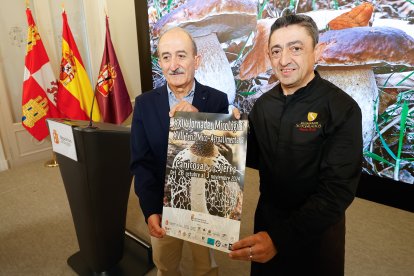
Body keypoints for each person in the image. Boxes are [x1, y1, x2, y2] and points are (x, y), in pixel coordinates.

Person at [229, 14, 363, 275]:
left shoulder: (342, 108)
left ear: (317, 52)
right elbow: (249, 156)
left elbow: (337, 192)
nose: (284, 60)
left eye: (296, 48)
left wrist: (280, 239)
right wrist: (221, 128)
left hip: (318, 230)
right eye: (276, 50)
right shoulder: (263, 106)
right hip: (267, 220)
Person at [130, 27, 239, 276]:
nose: (174, 65)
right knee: (166, 265)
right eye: (166, 57)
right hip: (163, 206)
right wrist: (150, 210)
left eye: (181, 55)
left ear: (196, 60)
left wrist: (202, 122)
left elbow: (225, 158)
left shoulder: (217, 100)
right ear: (160, 62)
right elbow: (141, 163)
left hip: (202, 204)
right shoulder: (145, 104)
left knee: (205, 265)